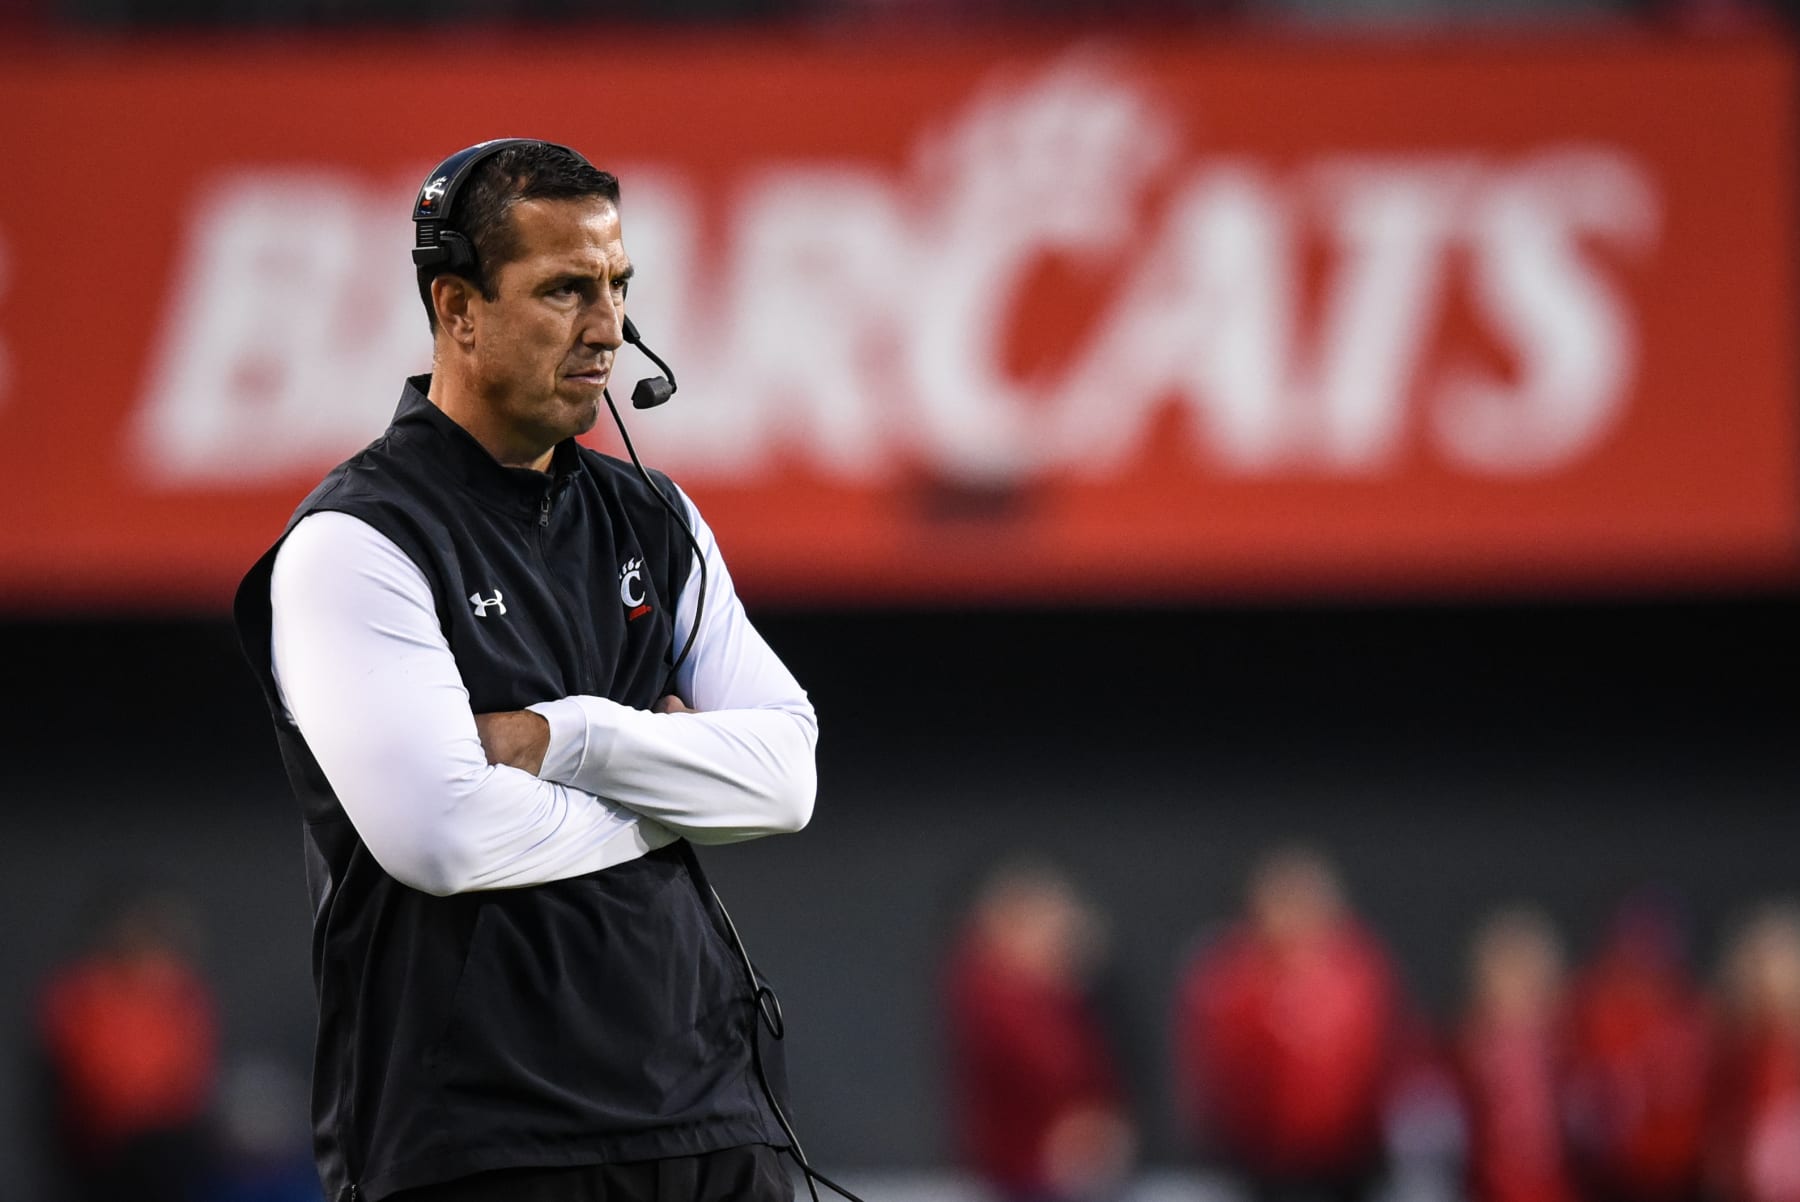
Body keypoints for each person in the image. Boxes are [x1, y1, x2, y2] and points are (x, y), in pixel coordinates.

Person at [233, 139, 818, 1202]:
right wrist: (680, 787)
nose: (608, 329)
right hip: (482, 1142)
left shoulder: (658, 516)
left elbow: (786, 778)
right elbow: (445, 837)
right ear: (457, 308)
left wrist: (571, 739)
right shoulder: (356, 541)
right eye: (564, 290)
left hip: (711, 1121)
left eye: (618, 287)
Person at [1174, 847, 1402, 1202]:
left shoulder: (1360, 967)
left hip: (1350, 1154)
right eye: (1281, 900)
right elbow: (1217, 1065)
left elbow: (1386, 1051)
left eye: (1305, 899)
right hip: (1265, 1156)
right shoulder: (1234, 971)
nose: (1292, 914)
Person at [944, 858, 1136, 1202]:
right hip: (1027, 1169)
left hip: (1064, 1168)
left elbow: (1103, 1068)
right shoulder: (992, 992)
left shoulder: (1061, 998)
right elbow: (1053, 1068)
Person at [35, 883, 218, 1202]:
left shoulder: (183, 997)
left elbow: (191, 1079)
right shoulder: (81, 996)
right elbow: (91, 1082)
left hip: (171, 1153)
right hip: (102, 1156)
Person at [1452, 907, 1581, 1202]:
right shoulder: (1462, 1053)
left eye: (1527, 980)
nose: (1514, 990)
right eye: (1505, 975)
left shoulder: (1570, 1050)